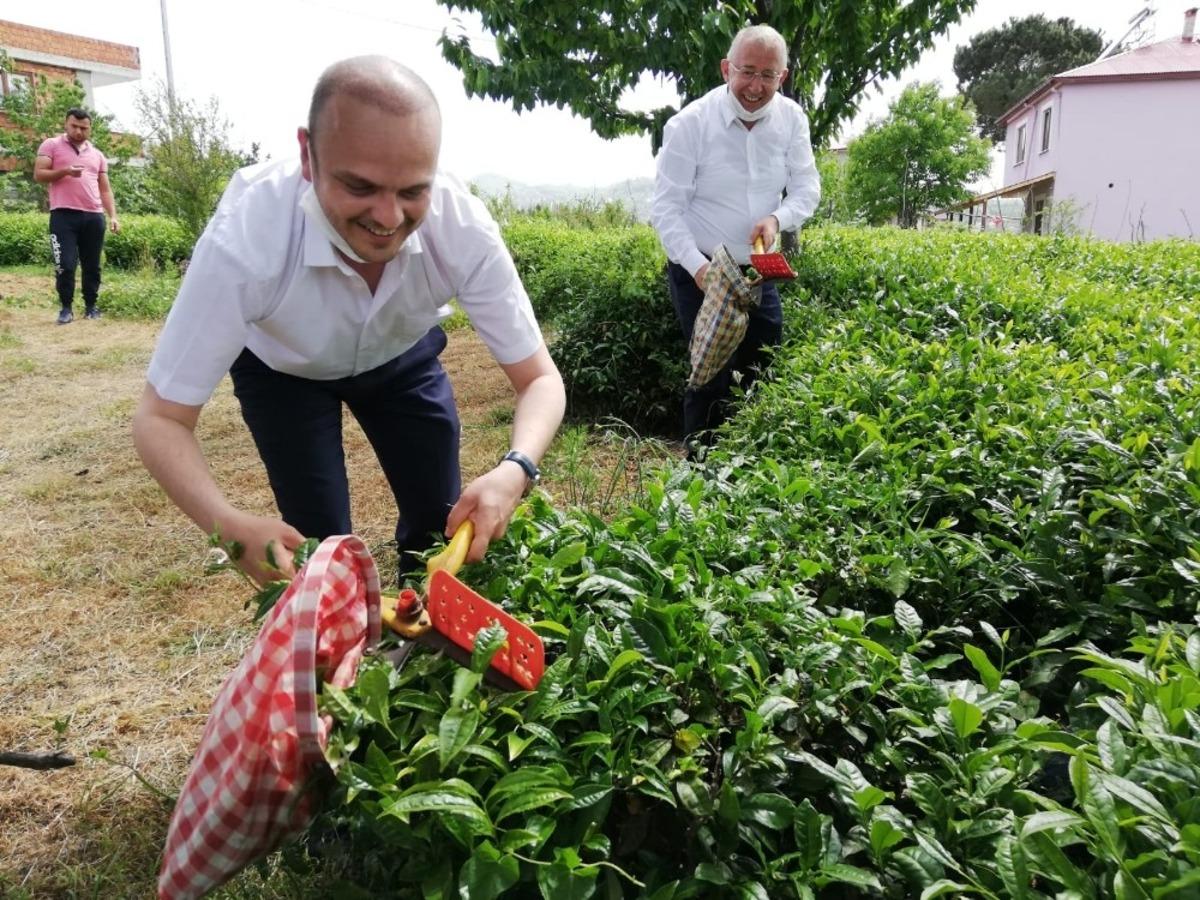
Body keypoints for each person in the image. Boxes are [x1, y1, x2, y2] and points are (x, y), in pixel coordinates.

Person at [132, 56, 566, 584]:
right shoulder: (247, 241)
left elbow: (540, 379)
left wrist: (515, 469)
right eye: (359, 187)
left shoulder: (462, 229)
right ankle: (340, 647)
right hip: (282, 369)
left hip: (401, 356)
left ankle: (424, 635)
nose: (388, 218)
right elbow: (161, 420)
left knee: (441, 524)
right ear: (307, 156)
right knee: (317, 547)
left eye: (412, 191)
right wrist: (228, 526)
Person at [650, 24, 820, 450]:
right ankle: (700, 478)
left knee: (765, 364)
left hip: (758, 268)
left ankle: (752, 470)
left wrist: (778, 219)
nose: (755, 86)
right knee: (711, 372)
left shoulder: (792, 119)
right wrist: (699, 269)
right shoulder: (690, 124)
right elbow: (666, 209)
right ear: (727, 68)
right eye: (747, 71)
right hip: (702, 265)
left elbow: (806, 189)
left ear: (782, 78)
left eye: (768, 75)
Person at [34, 108, 120, 324]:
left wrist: (113, 216)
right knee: (65, 264)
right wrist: (65, 171)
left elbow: (105, 189)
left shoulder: (97, 154)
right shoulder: (51, 145)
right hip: (63, 216)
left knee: (92, 265)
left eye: (84, 127)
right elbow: (39, 174)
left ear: (90, 128)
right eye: (74, 126)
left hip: (93, 216)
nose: (79, 131)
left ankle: (91, 307)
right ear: (66, 124)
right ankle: (66, 308)